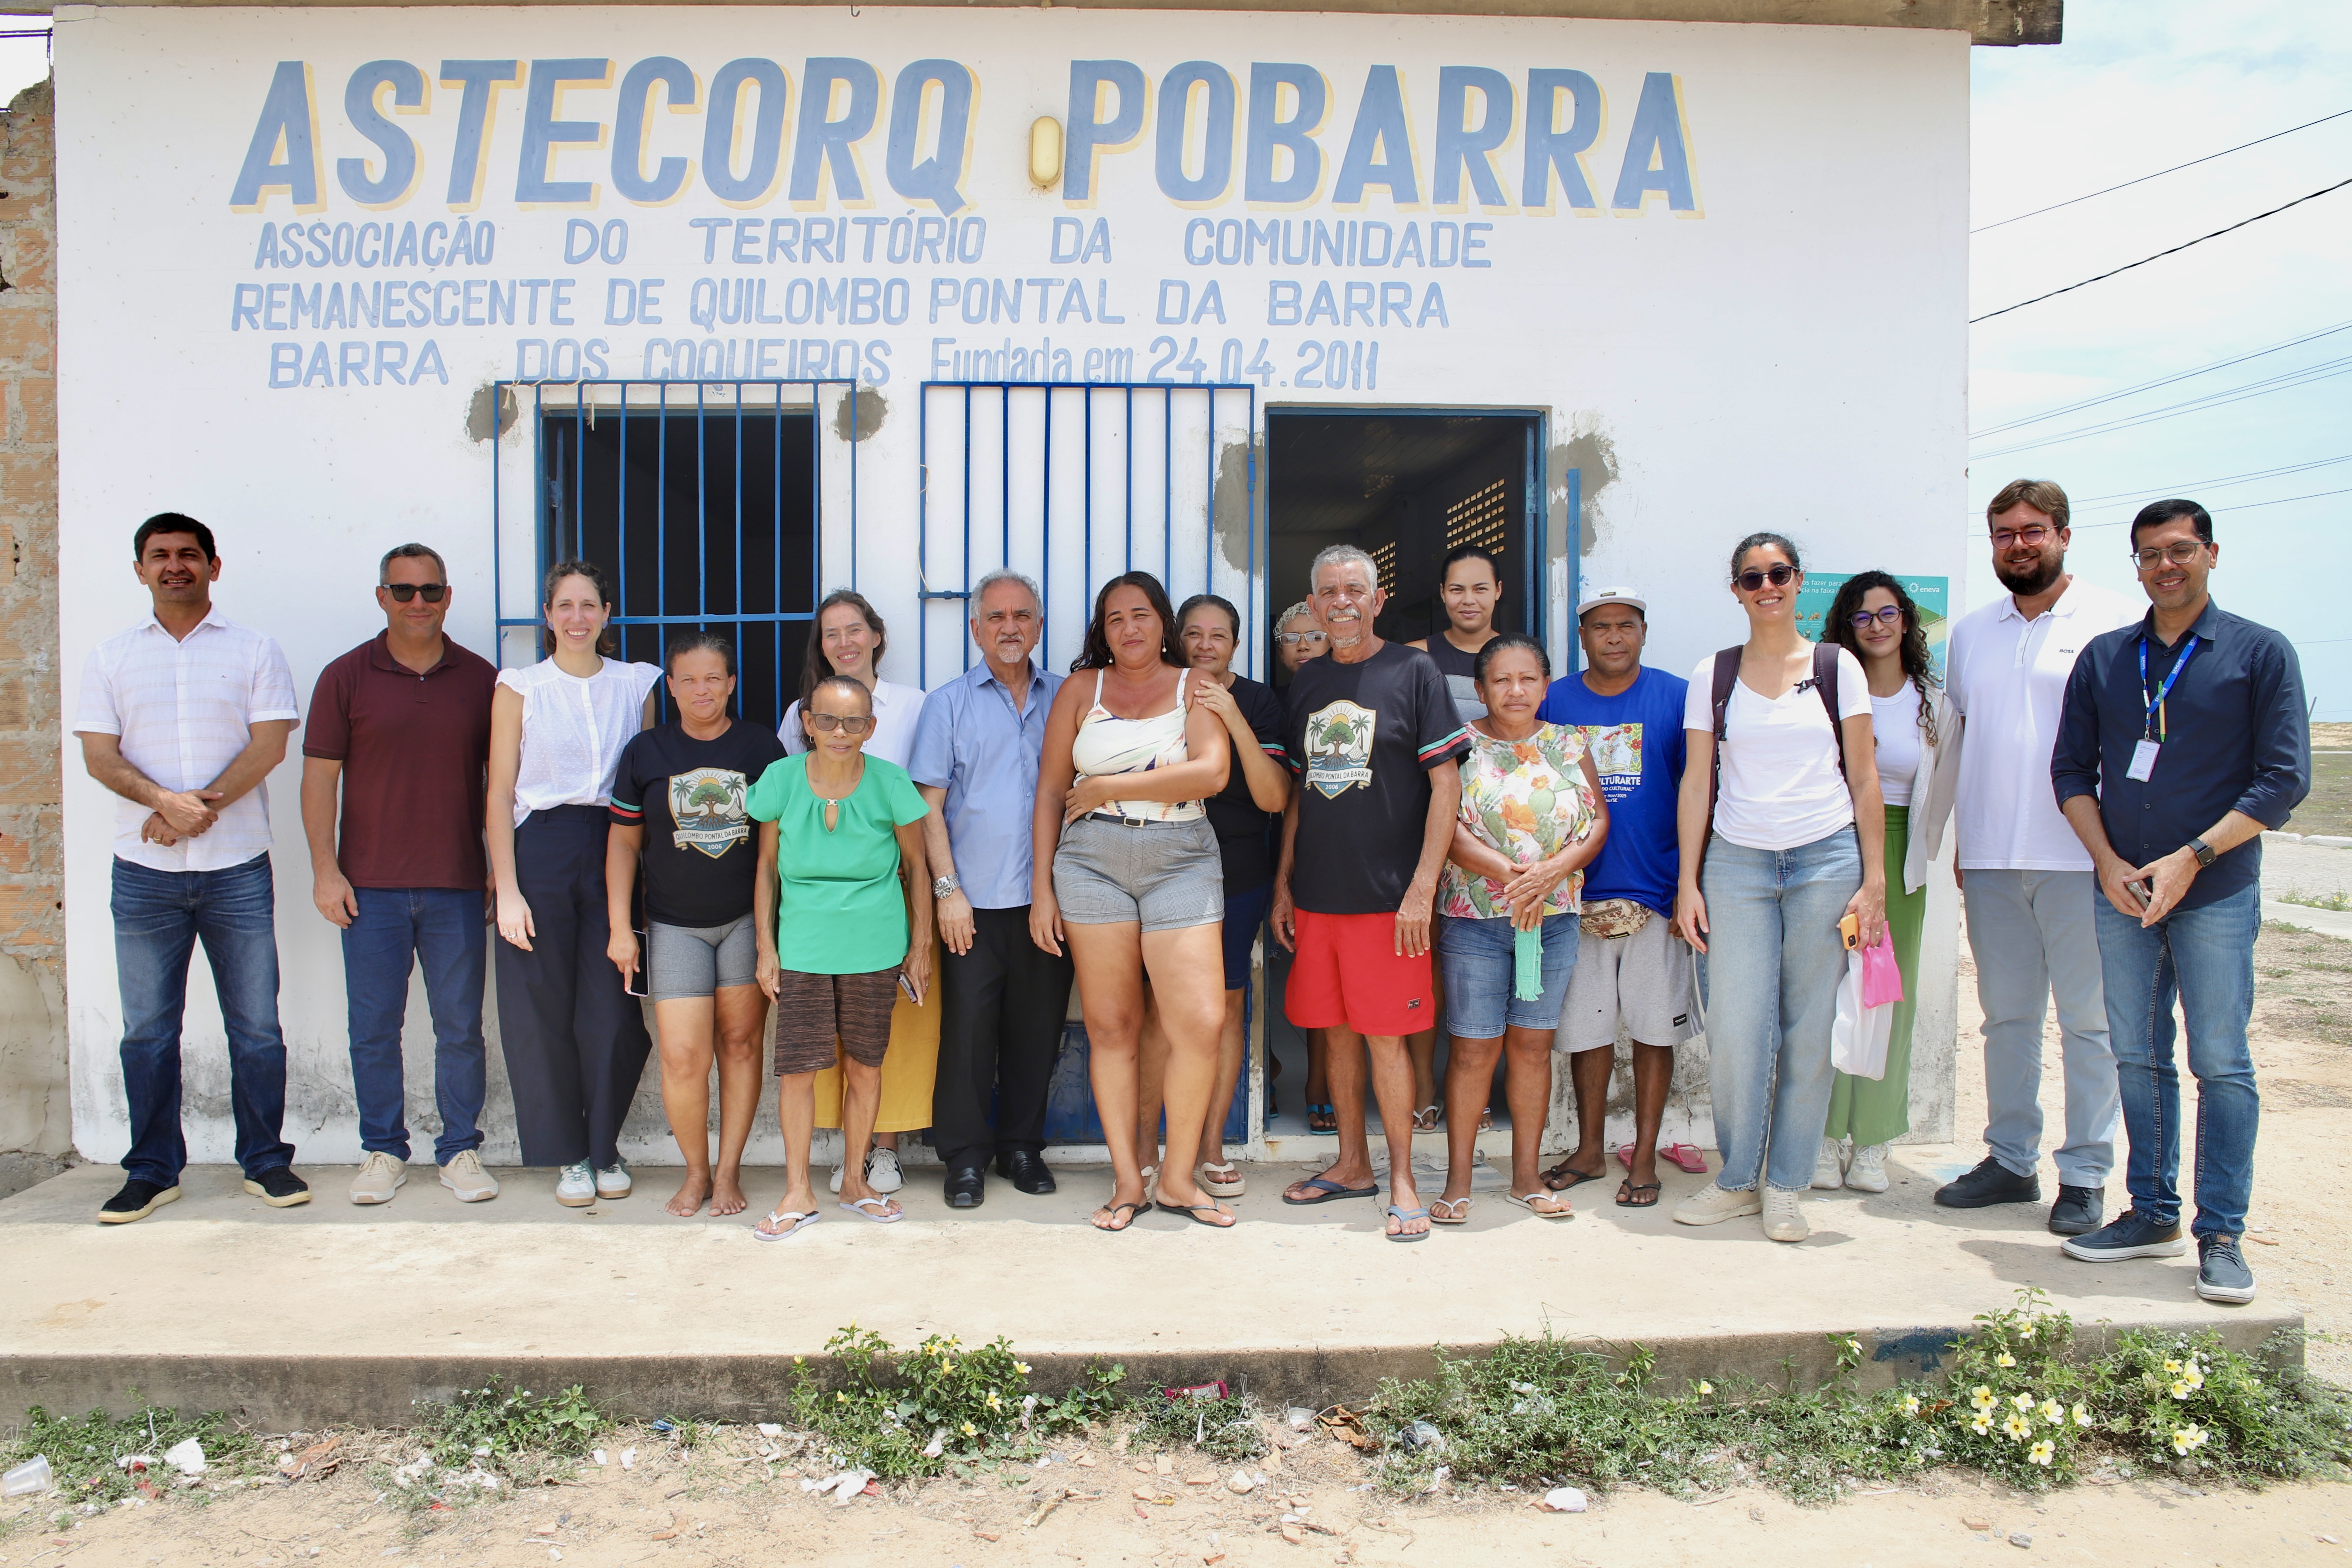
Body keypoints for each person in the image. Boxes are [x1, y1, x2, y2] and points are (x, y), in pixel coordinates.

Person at [2053, 499, 2307, 1304]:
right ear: (2135, 566)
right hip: (2123, 889)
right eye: (2150, 554)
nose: (2166, 566)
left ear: (2211, 554)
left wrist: (2193, 858)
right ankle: (2151, 1212)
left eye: (2181, 550)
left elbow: (2284, 780)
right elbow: (2071, 770)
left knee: (2221, 1061)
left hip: (2215, 889)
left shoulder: (2259, 652)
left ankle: (2221, 1233)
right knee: (2136, 1055)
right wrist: (2107, 862)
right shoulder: (2107, 657)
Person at [75, 513, 306, 1223]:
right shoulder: (110, 657)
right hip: (143, 872)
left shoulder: (255, 649)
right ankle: (151, 1170)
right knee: (147, 1032)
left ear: (213, 565)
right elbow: (100, 756)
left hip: (237, 868)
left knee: (256, 1029)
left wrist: (192, 810)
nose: (174, 565)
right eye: (160, 555)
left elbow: (270, 745)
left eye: (188, 554)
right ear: (140, 569)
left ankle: (265, 1162)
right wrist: (163, 804)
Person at [1936, 479, 2142, 1235]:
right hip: (1992, 856)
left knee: (2090, 1025)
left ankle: (2085, 1175)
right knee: (2007, 1020)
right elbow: (1965, 740)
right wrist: (1962, 842)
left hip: (2084, 858)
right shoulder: (1971, 634)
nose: (2018, 545)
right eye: (2003, 534)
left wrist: (2122, 853)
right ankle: (2012, 1161)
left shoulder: (2115, 620)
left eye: (2032, 531)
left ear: (2062, 535)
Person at [1672, 532, 1885, 1244]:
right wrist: (1688, 882)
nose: (1767, 586)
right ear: (1735, 590)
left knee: (1810, 1029)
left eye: (1779, 574)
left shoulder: (1837, 667)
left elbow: (1865, 778)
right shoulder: (1714, 673)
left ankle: (1787, 1185)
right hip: (1737, 864)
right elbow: (1697, 783)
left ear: (1798, 582)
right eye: (1752, 577)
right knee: (1736, 1029)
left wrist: (1875, 881)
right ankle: (1738, 1180)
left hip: (1826, 859)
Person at [1272, 544, 1471, 1243]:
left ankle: (1403, 1180)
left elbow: (1446, 784)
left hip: (1388, 901)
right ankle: (1352, 1164)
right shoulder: (1307, 682)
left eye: (1354, 590)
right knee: (1335, 1035)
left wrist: (1422, 889)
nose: (1342, 603)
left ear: (1377, 600)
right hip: (1318, 897)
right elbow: (1299, 792)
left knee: (1387, 1040)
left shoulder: (1414, 672)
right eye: (1328, 592)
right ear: (1314, 604)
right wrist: (1284, 884)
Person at [1032, 572, 1233, 1231]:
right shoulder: (1080, 690)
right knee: (1112, 1026)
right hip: (1091, 861)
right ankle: (1127, 1181)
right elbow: (1051, 792)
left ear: (1162, 622)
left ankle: (1177, 1179)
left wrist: (1109, 784)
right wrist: (1041, 890)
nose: (1129, 628)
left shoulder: (1193, 685)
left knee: (1199, 1023)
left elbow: (1212, 772)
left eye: (1141, 615)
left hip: (1182, 856)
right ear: (1102, 630)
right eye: (1115, 619)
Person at [300, 543, 499, 1207]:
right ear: (382, 596)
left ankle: (460, 1149)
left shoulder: (481, 679)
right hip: (369, 888)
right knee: (374, 1029)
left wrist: (500, 868)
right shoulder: (345, 676)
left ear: (448, 596)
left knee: (460, 1029)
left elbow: (502, 784)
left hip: (457, 884)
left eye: (431, 590)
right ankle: (383, 1150)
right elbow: (319, 781)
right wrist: (326, 871)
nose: (419, 602)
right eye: (404, 590)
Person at [487, 560, 662, 1208]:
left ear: (607, 613)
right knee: (539, 1010)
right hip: (541, 850)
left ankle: (603, 1145)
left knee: (613, 1011)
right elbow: (499, 793)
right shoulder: (520, 687)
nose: (577, 617)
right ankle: (569, 1155)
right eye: (565, 605)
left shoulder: (637, 684)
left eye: (589, 605)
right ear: (549, 615)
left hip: (617, 846)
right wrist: (508, 890)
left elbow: (646, 782)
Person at [908, 570, 1075, 1208]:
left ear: (1039, 626)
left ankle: (1022, 1148)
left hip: (1048, 901)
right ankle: (966, 1158)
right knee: (969, 1035)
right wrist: (947, 891)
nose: (1010, 627)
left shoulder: (1067, 698)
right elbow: (928, 804)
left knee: (1037, 1030)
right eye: (997, 617)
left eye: (1022, 616)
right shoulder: (947, 704)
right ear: (976, 629)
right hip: (971, 905)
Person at [746, 676, 933, 1236]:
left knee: (866, 1066)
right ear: (808, 723)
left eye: (854, 722)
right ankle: (797, 1191)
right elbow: (766, 869)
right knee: (798, 1070)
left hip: (875, 946)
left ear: (871, 728)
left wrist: (920, 947)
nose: (840, 732)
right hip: (803, 946)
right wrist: (766, 948)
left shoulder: (890, 782)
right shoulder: (781, 779)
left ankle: (855, 1181)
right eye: (827, 720)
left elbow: (917, 868)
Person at [606, 633, 786, 1218]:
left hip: (744, 922)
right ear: (671, 687)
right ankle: (696, 1172)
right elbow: (624, 845)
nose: (701, 689)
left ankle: (729, 1172)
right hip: (673, 926)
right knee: (683, 1056)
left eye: (713, 678)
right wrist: (619, 926)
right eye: (688, 679)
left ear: (731, 683)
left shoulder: (762, 747)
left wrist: (772, 934)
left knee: (740, 1045)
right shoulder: (645, 752)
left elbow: (778, 844)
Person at [1429, 636, 1606, 1226]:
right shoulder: (1458, 745)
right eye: (1501, 680)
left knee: (1533, 1048)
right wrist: (1516, 878)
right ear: (1481, 690)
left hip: (1552, 922)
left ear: (1545, 686)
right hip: (1476, 920)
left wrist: (1554, 872)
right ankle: (1458, 1182)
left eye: (1528, 679)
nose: (1515, 691)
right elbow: (1446, 829)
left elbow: (1597, 822)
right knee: (1473, 1048)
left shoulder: (1569, 744)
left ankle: (1526, 1178)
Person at [1535, 588, 1701, 1210]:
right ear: (1582, 637)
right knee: (1587, 1032)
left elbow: (1700, 791)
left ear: (1644, 632)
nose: (1613, 636)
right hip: (1575, 898)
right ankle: (1588, 1150)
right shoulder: (1554, 700)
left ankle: (1646, 1156)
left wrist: (1690, 886)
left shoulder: (1677, 697)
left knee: (1656, 1031)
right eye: (1600, 627)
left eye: (1625, 625)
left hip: (1657, 893)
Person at [1132, 594, 1290, 1202]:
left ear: (1236, 644)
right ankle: (1145, 1147)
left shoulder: (1259, 701)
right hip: (1163, 869)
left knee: (1222, 1009)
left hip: (1237, 874)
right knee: (1158, 1011)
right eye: (1193, 634)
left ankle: (1210, 1146)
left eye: (1218, 635)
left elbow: (1274, 798)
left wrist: (1232, 717)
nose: (1204, 645)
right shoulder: (1157, 691)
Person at [779, 590, 934, 1201]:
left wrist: (931, 911)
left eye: (854, 630)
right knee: (816, 1046)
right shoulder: (799, 715)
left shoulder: (915, 706)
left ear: (876, 635)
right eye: (831, 634)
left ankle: (883, 1150)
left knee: (882, 1040)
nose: (843, 643)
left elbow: (926, 804)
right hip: (816, 914)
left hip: (888, 896)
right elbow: (791, 810)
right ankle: (840, 1161)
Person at [1816, 572, 1959, 1194]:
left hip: (1899, 858)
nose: (1876, 626)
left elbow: (1941, 794)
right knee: (1825, 995)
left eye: (1888, 613)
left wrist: (1918, 863)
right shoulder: (1825, 695)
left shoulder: (1935, 705)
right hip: (1832, 844)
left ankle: (1873, 1140)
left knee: (1887, 997)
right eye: (1862, 617)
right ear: (1846, 627)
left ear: (1906, 620)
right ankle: (1822, 1136)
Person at [1403, 545, 1503, 1128]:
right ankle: (1423, 1081)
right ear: (1442, 594)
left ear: (1498, 592)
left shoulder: (1513, 658)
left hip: (1497, 840)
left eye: (1480, 588)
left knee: (1477, 971)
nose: (1469, 600)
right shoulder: (1415, 658)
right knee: (1426, 964)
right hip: (1426, 829)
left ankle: (1472, 1087)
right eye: (1458, 589)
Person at [1272, 598, 1334, 1132]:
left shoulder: (1348, 694)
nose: (1304, 646)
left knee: (1320, 975)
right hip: (1265, 840)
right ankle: (1266, 1068)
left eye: (1314, 636)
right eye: (1292, 638)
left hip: (1322, 848)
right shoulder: (1271, 703)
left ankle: (1321, 1084)